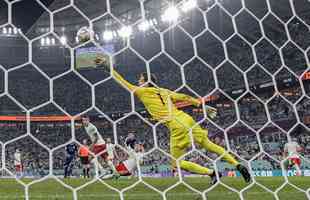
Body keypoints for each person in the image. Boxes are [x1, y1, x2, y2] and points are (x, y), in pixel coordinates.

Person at [94, 56, 251, 184]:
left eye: (140, 79)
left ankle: (211, 173)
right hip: (186, 118)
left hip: (175, 125)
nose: (138, 81)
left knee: (177, 163)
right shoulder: (163, 91)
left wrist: (109, 68)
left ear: (147, 82)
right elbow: (184, 97)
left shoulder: (142, 91)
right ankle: (237, 165)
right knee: (209, 144)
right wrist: (201, 105)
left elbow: (123, 83)